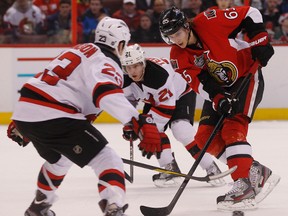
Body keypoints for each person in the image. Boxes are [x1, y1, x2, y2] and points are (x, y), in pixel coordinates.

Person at [6, 17, 162, 216]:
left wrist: (24, 119)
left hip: (26, 109)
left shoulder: (79, 49)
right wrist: (137, 120)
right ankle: (114, 208)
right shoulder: (107, 61)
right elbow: (104, 92)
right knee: (108, 160)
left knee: (60, 160)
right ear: (120, 44)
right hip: (56, 112)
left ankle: (38, 209)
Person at [159, 6, 280, 210]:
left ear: (186, 26)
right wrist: (218, 99)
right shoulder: (177, 56)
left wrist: (260, 40)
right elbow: (200, 82)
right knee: (204, 137)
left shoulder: (209, 20)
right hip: (220, 88)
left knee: (233, 129)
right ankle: (254, 171)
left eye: (177, 34)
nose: (176, 40)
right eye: (170, 37)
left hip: (246, 75)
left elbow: (250, 12)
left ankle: (244, 185)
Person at [121, 43, 225, 187]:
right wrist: (130, 124)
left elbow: (166, 108)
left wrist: (147, 127)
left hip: (181, 93)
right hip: (155, 99)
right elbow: (128, 102)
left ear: (143, 63)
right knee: (148, 130)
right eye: (128, 67)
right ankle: (169, 168)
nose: (132, 71)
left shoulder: (158, 76)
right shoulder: (125, 79)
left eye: (136, 66)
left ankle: (212, 168)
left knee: (181, 129)